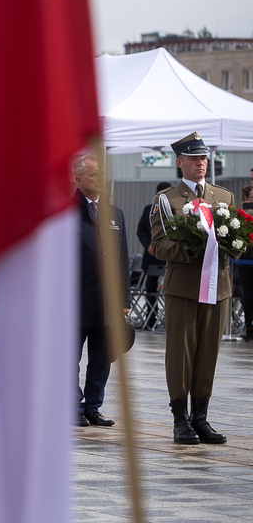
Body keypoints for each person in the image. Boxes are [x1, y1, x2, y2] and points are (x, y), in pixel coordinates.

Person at [150, 132, 232, 444]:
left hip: (217, 287)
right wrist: (191, 250)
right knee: (181, 354)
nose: (201, 163)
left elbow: (230, 236)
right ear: (179, 162)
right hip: (184, 286)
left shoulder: (223, 197)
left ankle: (201, 417)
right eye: (194, 158)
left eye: (203, 158)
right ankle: (180, 419)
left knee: (208, 352)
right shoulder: (167, 200)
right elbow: (158, 245)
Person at [73, 155, 129, 428]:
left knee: (102, 358)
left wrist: (125, 299)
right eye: (94, 175)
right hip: (75, 299)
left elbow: (122, 260)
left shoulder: (114, 214)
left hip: (107, 301)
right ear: (79, 179)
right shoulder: (65, 212)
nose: (101, 180)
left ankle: (93, 406)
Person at [136, 181, 172, 330]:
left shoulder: (173, 210)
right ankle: (150, 320)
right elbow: (141, 230)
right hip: (151, 256)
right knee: (150, 289)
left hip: (168, 256)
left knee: (169, 288)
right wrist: (148, 245)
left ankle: (168, 320)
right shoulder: (148, 210)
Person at [238, 185, 253, 341]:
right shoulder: (242, 215)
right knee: (248, 295)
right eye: (251, 198)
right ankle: (249, 328)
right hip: (246, 258)